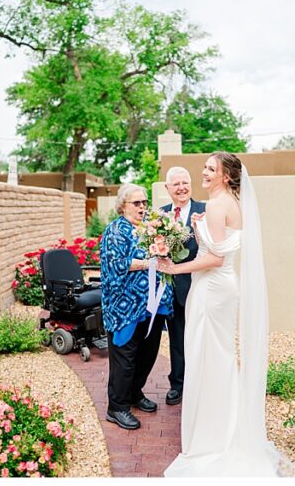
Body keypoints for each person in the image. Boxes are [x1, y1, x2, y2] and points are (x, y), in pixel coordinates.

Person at [161, 153, 295, 477]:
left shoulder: (214, 204)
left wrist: (175, 267)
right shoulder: (231, 203)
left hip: (211, 289)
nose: (204, 172)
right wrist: (200, 228)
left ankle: (210, 435)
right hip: (224, 288)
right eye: (206, 167)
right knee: (218, 355)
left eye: (212, 169)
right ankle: (225, 425)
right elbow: (221, 245)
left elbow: (213, 258)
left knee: (206, 356)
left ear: (226, 176)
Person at [100, 183, 173, 431]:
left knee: (147, 353)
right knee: (125, 357)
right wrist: (149, 263)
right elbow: (117, 265)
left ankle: (134, 393)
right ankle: (117, 407)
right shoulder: (115, 231)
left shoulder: (149, 229)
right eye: (136, 203)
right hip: (125, 307)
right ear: (123, 205)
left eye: (144, 202)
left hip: (152, 306)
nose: (142, 207)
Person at [159, 166, 205, 406]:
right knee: (177, 339)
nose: (181, 187)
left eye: (185, 182)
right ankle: (178, 384)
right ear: (168, 188)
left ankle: (202, 385)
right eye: (175, 184)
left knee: (201, 339)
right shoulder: (160, 215)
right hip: (169, 291)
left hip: (198, 287)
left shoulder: (205, 211)